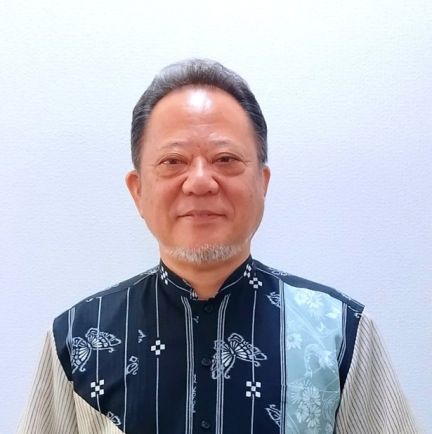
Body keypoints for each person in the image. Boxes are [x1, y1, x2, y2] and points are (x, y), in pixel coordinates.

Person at [18, 59, 420, 434]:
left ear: (262, 183)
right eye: (173, 161)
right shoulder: (76, 338)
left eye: (225, 159)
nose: (200, 181)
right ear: (138, 190)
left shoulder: (340, 332)